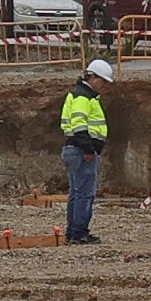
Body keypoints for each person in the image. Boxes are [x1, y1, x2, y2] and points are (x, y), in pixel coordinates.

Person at [58, 58, 114, 243]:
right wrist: (89, 149)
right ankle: (78, 233)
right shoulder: (83, 97)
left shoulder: (80, 95)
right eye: (103, 82)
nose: (104, 86)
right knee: (84, 193)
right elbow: (79, 124)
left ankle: (73, 232)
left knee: (77, 192)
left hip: (75, 149)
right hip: (81, 151)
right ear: (94, 78)